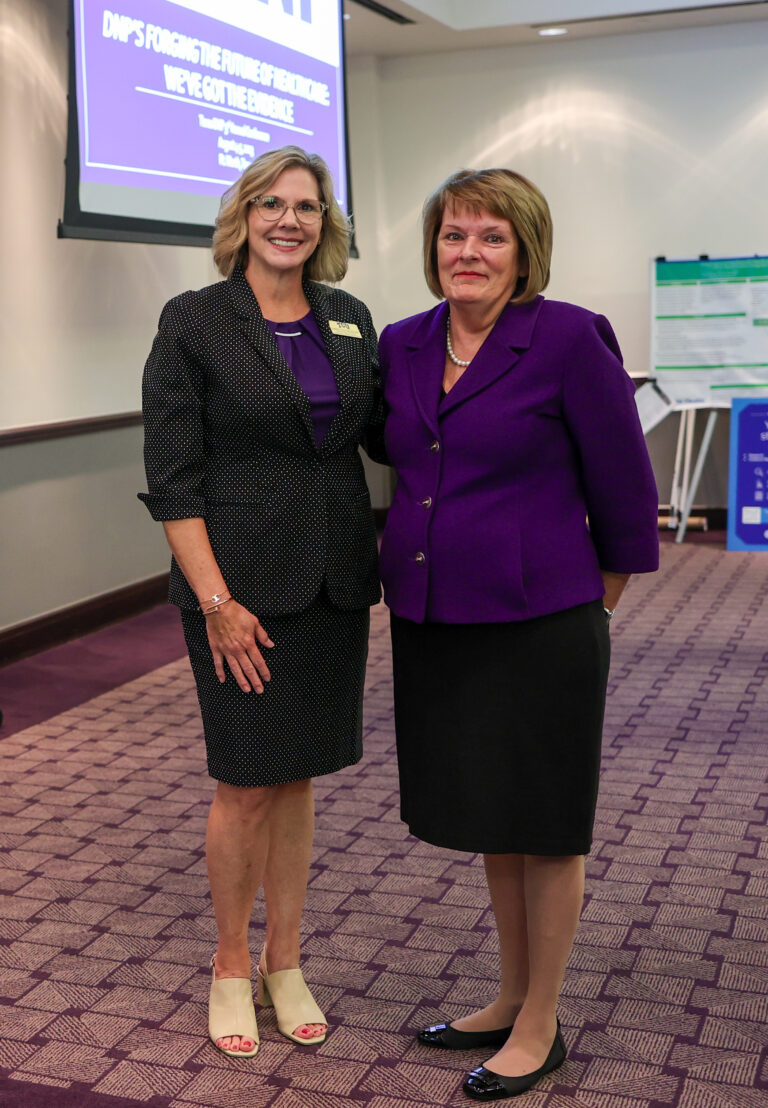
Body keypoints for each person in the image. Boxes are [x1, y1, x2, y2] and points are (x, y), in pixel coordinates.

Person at [378, 167, 659, 1100]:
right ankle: (507, 994)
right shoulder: (403, 344)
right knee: (493, 819)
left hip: (543, 624)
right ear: (434, 249)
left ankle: (542, 1025)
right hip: (435, 621)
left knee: (545, 824)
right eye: (455, 235)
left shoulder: (570, 337)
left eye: (492, 237)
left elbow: (625, 494)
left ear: (525, 250)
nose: (469, 253)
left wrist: (591, 610)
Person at [139, 145, 384, 1058]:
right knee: (244, 782)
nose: (292, 220)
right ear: (243, 216)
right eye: (274, 204)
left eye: (309, 207)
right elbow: (173, 477)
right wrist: (214, 602)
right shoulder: (195, 322)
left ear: (328, 223)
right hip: (236, 591)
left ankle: (288, 960)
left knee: (298, 775)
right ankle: (232, 964)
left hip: (333, 581)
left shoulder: (349, 316)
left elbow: (391, 431)